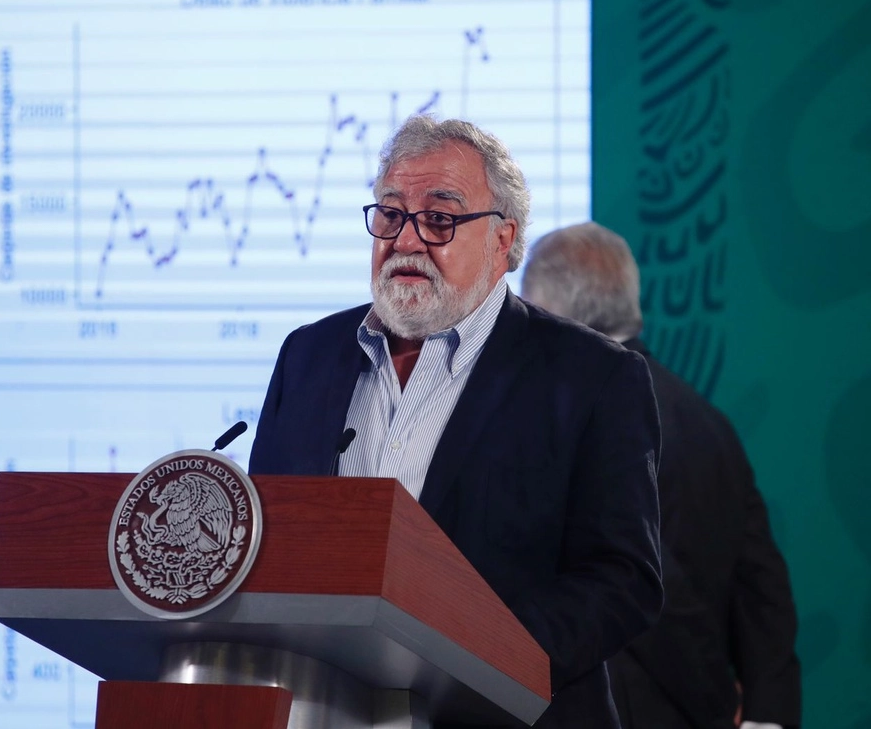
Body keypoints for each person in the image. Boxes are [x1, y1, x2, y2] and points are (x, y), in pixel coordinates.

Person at [249, 115, 663, 729]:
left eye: (439, 218)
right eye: (390, 214)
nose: (407, 241)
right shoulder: (308, 356)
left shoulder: (592, 376)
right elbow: (268, 540)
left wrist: (470, 655)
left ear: (503, 241)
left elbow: (623, 579)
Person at [521, 222, 801, 729]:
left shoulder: (573, 421)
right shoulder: (710, 422)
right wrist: (763, 714)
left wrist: (717, 699)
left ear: (552, 310)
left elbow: (644, 582)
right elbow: (762, 583)